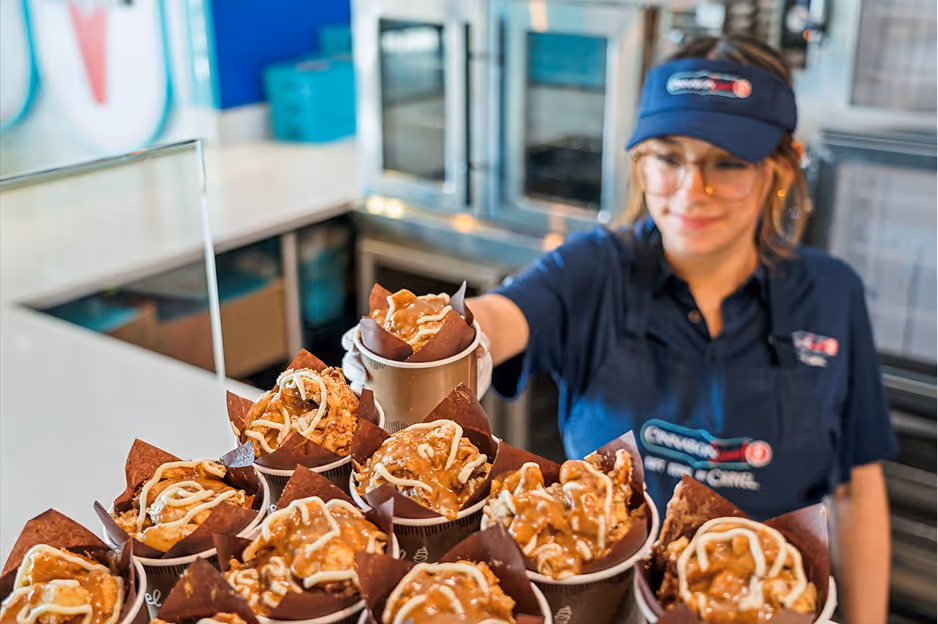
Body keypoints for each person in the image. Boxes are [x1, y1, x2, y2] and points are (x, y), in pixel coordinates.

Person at [345, 35, 896, 623]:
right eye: (668, 157)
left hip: (774, 604)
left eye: (728, 163)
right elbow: (502, 317)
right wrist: (439, 342)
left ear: (781, 169)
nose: (692, 191)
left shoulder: (831, 295)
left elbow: (856, 494)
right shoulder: (594, 271)